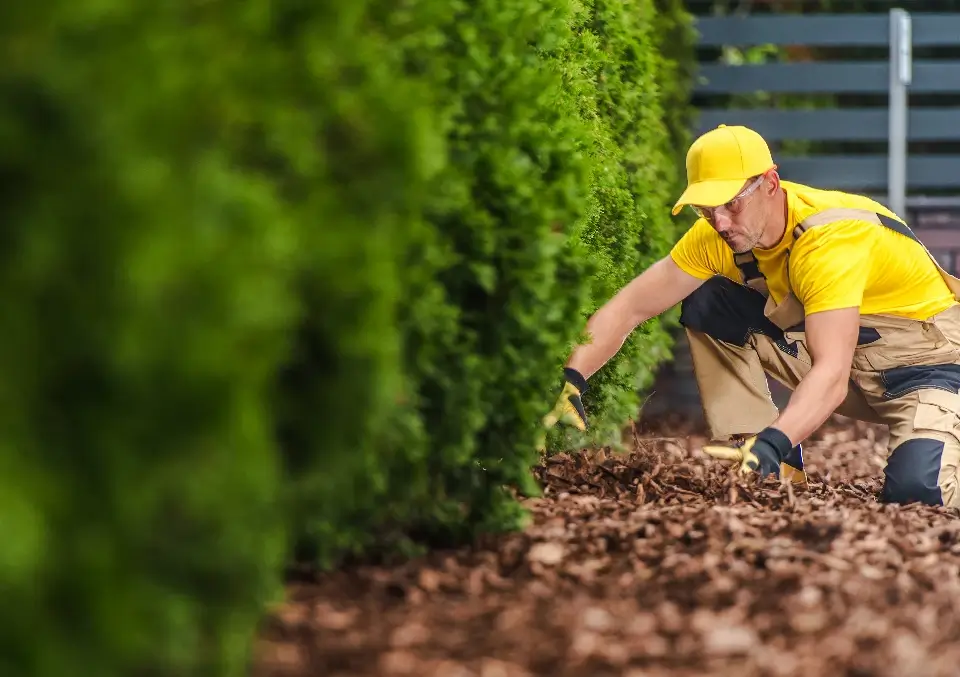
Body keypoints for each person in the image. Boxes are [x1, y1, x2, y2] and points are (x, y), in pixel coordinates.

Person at [543, 123, 960, 508]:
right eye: (705, 209)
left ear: (770, 184)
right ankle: (761, 463)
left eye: (730, 205)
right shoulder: (718, 235)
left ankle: (768, 450)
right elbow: (630, 306)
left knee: (916, 492)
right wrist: (571, 380)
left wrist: (774, 440)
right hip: (855, 364)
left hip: (930, 370)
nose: (719, 222)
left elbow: (830, 377)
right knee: (711, 301)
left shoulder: (830, 240)